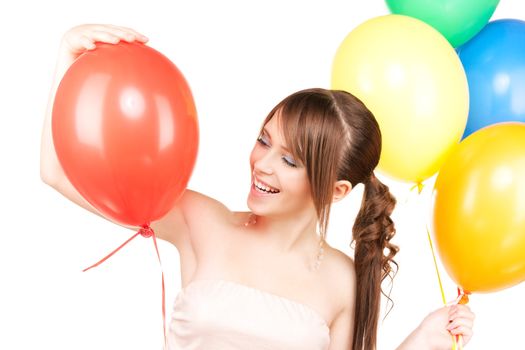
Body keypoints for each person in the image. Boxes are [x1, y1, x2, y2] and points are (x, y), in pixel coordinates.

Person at [40, 24, 475, 350]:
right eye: (263, 140)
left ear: (336, 191)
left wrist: (423, 338)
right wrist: (67, 58)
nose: (261, 164)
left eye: (288, 160)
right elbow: (58, 173)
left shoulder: (343, 280)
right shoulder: (201, 221)